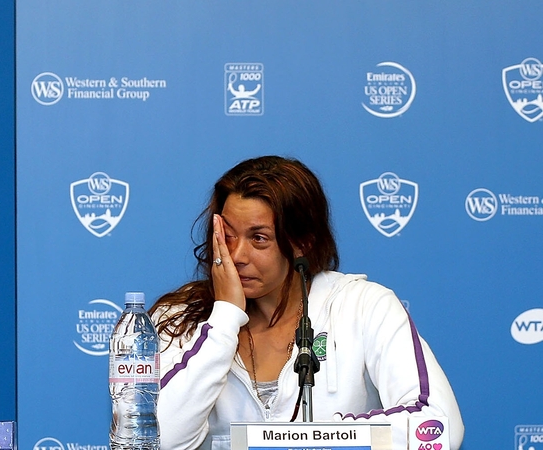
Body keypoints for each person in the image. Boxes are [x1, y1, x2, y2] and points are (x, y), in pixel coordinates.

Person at [150, 156, 464, 450]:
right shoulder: (178, 318)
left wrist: (301, 439)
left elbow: (437, 425)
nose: (237, 256)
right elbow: (154, 440)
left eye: (259, 238)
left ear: (302, 243)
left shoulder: (365, 306)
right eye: (228, 236)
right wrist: (225, 318)